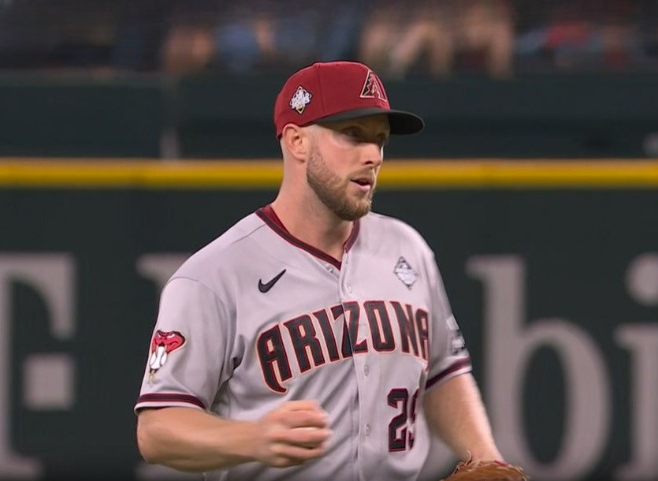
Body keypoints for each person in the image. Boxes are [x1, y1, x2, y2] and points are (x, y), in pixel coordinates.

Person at [134, 60, 516, 481]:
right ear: (297, 141)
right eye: (352, 134)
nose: (373, 155)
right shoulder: (213, 276)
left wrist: (488, 461)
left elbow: (443, 373)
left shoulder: (407, 248)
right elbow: (157, 429)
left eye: (380, 140)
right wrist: (252, 439)